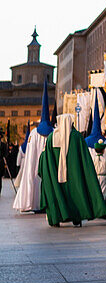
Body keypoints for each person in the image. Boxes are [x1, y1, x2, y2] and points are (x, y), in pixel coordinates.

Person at [38, 114, 106, 227]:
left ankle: (57, 218)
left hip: (56, 177)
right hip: (75, 177)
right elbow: (84, 159)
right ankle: (77, 218)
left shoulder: (51, 138)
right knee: (76, 194)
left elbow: (46, 158)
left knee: (57, 193)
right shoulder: (76, 137)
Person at [13, 78, 53, 214]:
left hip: (34, 165)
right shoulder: (53, 132)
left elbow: (30, 155)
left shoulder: (34, 133)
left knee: (33, 178)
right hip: (48, 165)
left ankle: (33, 202)